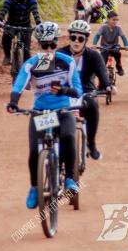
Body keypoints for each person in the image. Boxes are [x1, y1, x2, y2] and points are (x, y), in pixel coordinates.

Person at [7, 22, 83, 208]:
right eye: (44, 45)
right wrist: (13, 102)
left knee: (68, 136)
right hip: (40, 112)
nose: (48, 49)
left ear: (56, 43)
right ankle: (35, 187)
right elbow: (19, 84)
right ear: (38, 45)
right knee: (34, 150)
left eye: (52, 45)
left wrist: (64, 90)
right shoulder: (32, 64)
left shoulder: (68, 62)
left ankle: (70, 180)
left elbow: (78, 90)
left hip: (63, 110)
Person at [58, 20, 112, 161]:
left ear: (86, 40)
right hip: (63, 92)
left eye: (80, 38)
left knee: (93, 105)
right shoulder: (59, 54)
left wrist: (108, 86)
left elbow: (102, 73)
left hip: (86, 91)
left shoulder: (93, 55)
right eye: (73, 37)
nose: (76, 42)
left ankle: (91, 144)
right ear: (69, 38)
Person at [0, 0, 41, 65]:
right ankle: (7, 56)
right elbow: (4, 9)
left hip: (25, 25)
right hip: (11, 25)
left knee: (26, 51)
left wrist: (38, 22)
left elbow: (35, 12)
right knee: (6, 37)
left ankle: (27, 65)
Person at [93, 11, 128, 76]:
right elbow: (97, 36)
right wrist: (94, 44)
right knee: (102, 62)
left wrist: (126, 45)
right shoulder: (103, 27)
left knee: (117, 54)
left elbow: (123, 37)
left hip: (114, 47)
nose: (115, 21)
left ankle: (119, 67)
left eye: (117, 20)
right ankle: (102, 74)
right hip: (104, 47)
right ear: (108, 19)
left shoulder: (118, 28)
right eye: (113, 20)